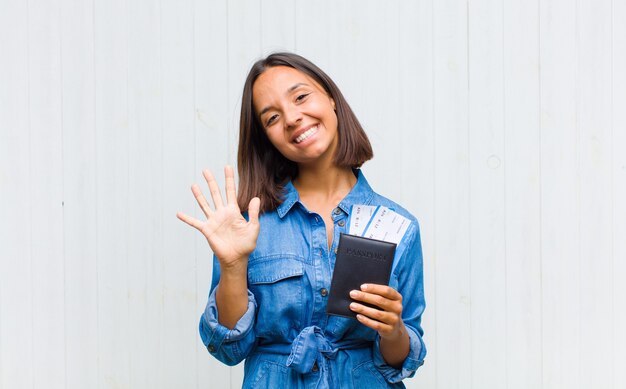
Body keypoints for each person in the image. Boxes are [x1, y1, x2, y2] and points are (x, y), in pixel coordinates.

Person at [177, 52, 426, 388]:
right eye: (272, 118)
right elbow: (228, 349)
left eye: (300, 97)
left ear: (331, 98)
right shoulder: (247, 224)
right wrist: (233, 266)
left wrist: (393, 328)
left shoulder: (399, 224)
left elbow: (405, 359)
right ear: (266, 138)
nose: (292, 118)